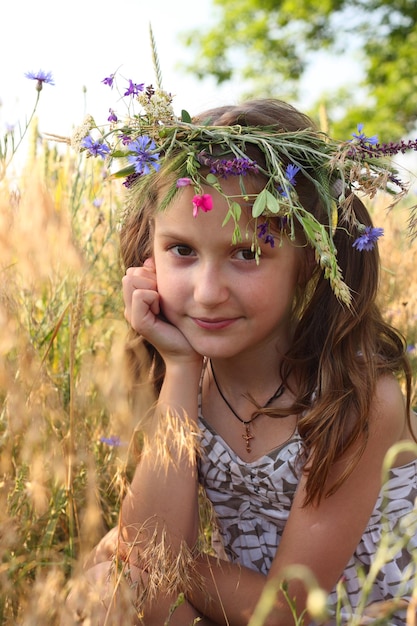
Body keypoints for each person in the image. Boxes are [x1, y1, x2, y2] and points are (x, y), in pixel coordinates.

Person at [68, 95, 417, 625]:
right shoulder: (186, 381)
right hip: (242, 613)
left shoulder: (357, 397)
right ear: (148, 255)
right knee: (109, 588)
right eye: (182, 250)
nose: (207, 293)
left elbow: (288, 611)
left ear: (307, 262)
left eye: (248, 253)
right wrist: (182, 369)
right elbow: (148, 562)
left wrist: (136, 548)